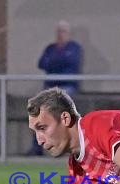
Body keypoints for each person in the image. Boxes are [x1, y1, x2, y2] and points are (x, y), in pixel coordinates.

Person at [27, 20, 83, 156]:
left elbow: (72, 62)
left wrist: (54, 61)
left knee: (61, 115)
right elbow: (42, 63)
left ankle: (68, 148)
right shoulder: (51, 48)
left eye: (63, 31)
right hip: (49, 89)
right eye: (58, 31)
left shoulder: (74, 48)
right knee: (37, 113)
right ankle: (37, 147)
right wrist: (58, 60)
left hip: (66, 88)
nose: (60, 34)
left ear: (68, 34)